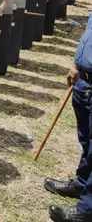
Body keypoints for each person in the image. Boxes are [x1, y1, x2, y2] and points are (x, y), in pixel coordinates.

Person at [44, 13, 92, 222]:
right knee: (87, 140)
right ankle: (82, 184)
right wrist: (77, 64)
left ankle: (87, 209)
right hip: (84, 81)